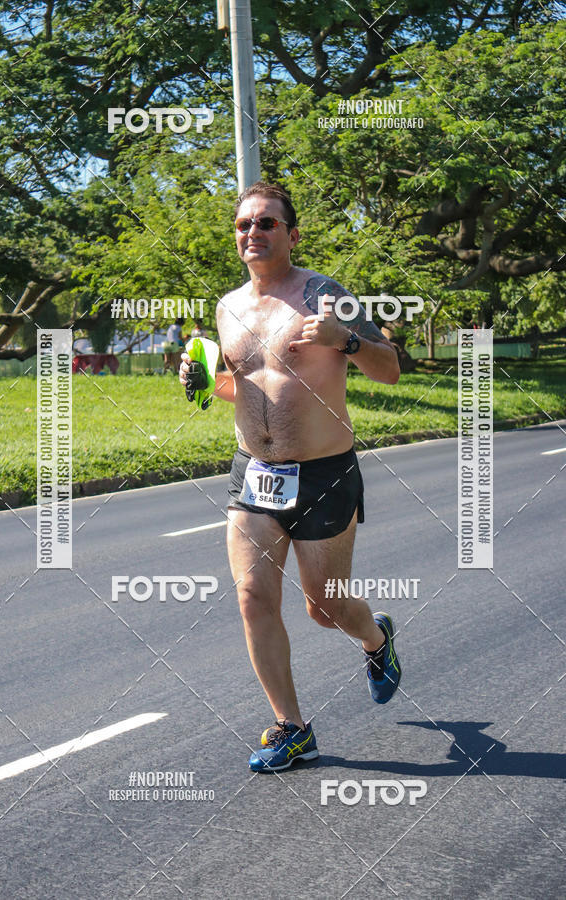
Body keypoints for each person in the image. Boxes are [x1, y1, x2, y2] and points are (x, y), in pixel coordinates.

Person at [179, 182, 402, 772]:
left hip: (324, 472)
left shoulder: (325, 296)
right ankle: (291, 728)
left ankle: (375, 638)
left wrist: (346, 339)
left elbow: (390, 370)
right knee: (253, 596)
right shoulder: (227, 308)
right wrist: (204, 382)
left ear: (291, 234)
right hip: (254, 472)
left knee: (324, 607)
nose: (253, 233)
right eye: (244, 225)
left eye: (267, 224)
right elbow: (246, 388)